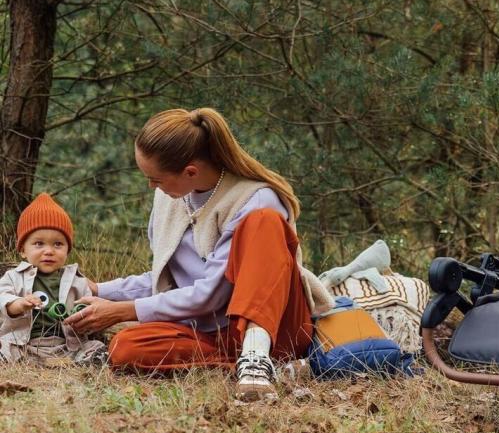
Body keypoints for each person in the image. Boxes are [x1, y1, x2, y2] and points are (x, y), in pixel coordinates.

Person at [65, 107, 333, 397]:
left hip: (272, 327)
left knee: (264, 222)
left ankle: (257, 357)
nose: (151, 186)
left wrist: (122, 311)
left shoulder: (255, 199)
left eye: (156, 179)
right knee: (125, 347)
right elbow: (168, 280)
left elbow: (210, 294)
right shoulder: (170, 197)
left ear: (190, 171)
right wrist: (100, 289)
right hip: (210, 332)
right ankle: (263, 368)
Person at [0, 193, 106, 363]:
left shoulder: (76, 280)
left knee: (94, 346)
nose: (49, 251)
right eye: (39, 244)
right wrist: (17, 304)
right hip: (23, 344)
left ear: (67, 250)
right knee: (5, 346)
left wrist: (82, 317)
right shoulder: (14, 276)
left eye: (58, 244)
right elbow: (2, 297)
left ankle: (90, 359)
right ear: (23, 250)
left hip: (66, 345)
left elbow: (88, 309)